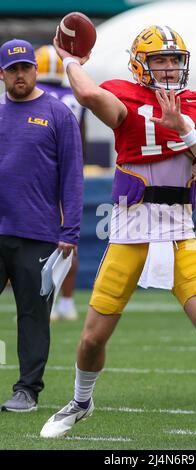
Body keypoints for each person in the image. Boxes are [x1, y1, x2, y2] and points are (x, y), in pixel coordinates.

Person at [39, 25, 196, 445]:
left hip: (178, 231)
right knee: (91, 337)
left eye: (175, 59)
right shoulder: (124, 93)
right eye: (160, 58)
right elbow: (88, 96)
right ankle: (80, 401)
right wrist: (70, 60)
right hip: (130, 230)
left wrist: (185, 128)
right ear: (141, 63)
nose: (170, 66)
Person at [0, 39, 83, 412]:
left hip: (38, 231)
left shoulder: (58, 112)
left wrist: (70, 231)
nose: (20, 75)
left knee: (33, 315)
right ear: (2, 73)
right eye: (13, 69)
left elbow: (72, 176)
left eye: (26, 68)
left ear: (36, 69)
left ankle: (27, 391)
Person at [35, 44, 87, 321]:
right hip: (68, 175)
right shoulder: (73, 98)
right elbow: (82, 140)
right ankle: (67, 301)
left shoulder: (35, 96)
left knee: (39, 241)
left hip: (39, 177)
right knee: (69, 239)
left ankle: (50, 302)